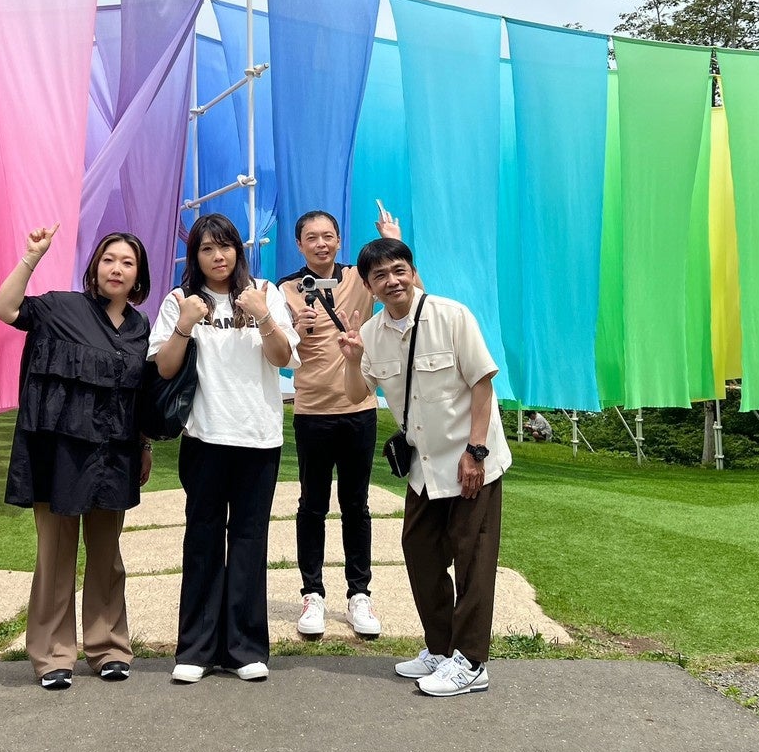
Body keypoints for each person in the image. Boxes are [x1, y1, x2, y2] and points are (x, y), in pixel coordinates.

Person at [338, 237, 512, 698]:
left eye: (399, 270)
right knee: (421, 552)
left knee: (473, 560)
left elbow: (482, 384)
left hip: (470, 460)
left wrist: (476, 452)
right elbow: (357, 394)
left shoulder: (451, 316)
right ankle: (440, 649)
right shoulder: (372, 333)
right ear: (369, 286)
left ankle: (471, 662)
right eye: (380, 275)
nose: (392, 281)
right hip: (425, 467)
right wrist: (353, 361)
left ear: (413, 272)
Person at [0, 224, 153, 691]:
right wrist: (32, 257)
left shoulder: (140, 328)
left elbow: (138, 397)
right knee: (55, 556)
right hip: (59, 453)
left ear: (138, 275)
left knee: (107, 558)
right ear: (95, 267)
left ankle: (109, 649)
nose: (116, 269)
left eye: (127, 262)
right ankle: (52, 655)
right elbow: (5, 308)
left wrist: (144, 446)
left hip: (114, 454)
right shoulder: (61, 308)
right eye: (109, 259)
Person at [149, 212, 299, 684]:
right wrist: (184, 325)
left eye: (226, 246)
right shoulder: (180, 301)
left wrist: (264, 315)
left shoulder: (265, 292)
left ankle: (245, 648)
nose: (218, 256)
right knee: (203, 540)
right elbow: (164, 369)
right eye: (207, 248)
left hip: (258, 437)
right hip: (205, 438)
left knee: (250, 541)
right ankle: (196, 649)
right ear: (195, 255)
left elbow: (284, 359)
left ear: (238, 250)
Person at [278, 205, 399, 640]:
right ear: (299, 244)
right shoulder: (286, 289)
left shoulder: (359, 279)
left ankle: (358, 594)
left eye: (328, 235)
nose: (321, 244)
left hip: (359, 408)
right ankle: (312, 593)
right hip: (312, 411)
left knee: (356, 505)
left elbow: (409, 295)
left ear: (339, 240)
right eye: (312, 237)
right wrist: (296, 327)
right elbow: (278, 350)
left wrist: (392, 242)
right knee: (312, 505)